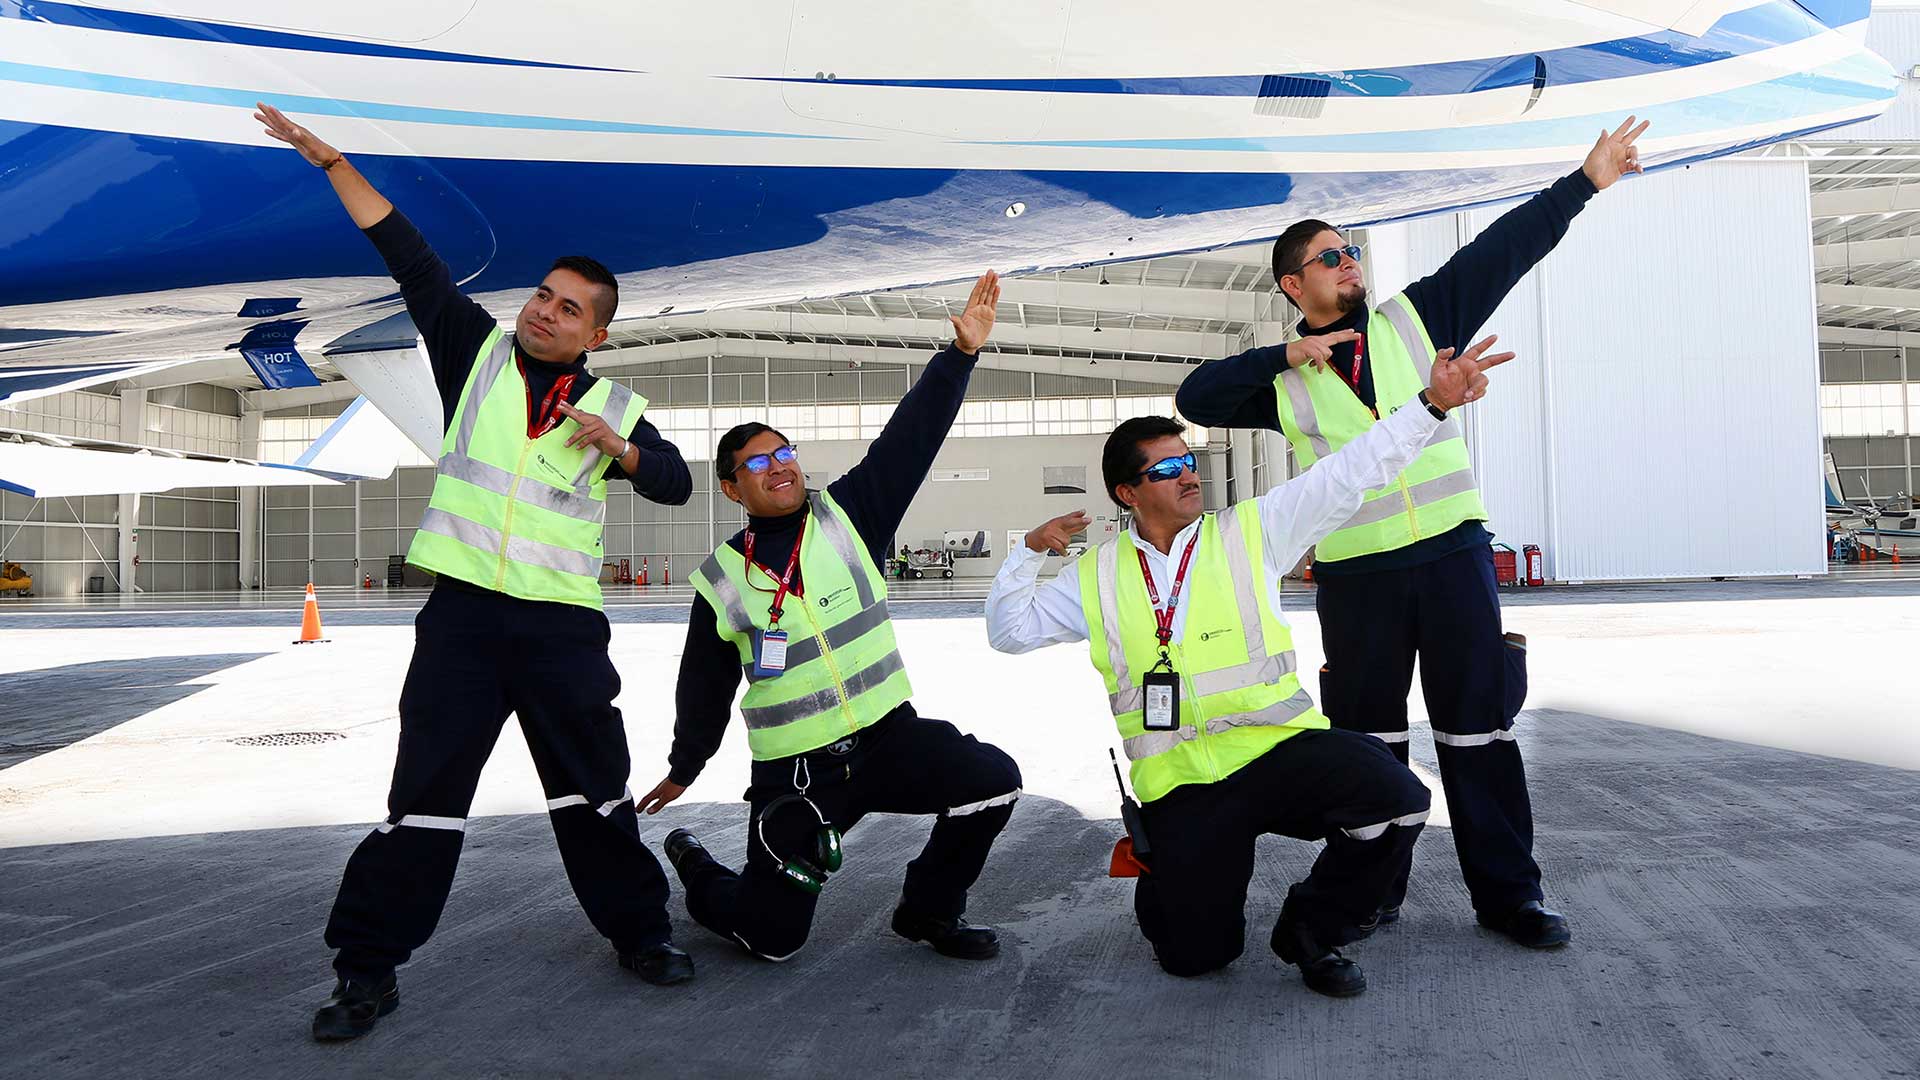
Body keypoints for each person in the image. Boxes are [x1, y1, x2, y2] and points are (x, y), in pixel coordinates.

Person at [253, 103, 698, 1042]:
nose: (544, 310)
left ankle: (641, 932)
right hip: (461, 622)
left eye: (568, 308)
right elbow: (409, 258)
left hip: (560, 629)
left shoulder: (617, 406)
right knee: (423, 796)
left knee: (595, 792)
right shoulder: (477, 356)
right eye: (543, 294)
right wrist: (331, 163)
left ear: (595, 335)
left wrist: (619, 448)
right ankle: (367, 970)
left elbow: (674, 482)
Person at [1171, 117, 1651, 949]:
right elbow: (1195, 398)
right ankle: (1369, 894)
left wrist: (1584, 183)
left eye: (1351, 249)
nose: (1349, 260)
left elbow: (1504, 250)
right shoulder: (1283, 383)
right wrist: (1285, 357)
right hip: (1358, 578)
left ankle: (1511, 898)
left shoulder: (1413, 319)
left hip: (1452, 556)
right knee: (1369, 745)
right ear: (1294, 284)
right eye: (1330, 255)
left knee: (1478, 731)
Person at [988, 335, 1513, 995]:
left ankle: (1312, 928)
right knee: (1195, 956)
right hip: (1184, 786)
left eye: (1188, 461)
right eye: (1166, 468)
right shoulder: (1094, 576)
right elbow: (1009, 631)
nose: (1188, 475)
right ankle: (1167, 875)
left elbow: (1348, 473)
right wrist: (1028, 554)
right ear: (1128, 492)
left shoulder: (1251, 531)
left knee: (1399, 801)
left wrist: (1430, 405)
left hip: (1276, 753)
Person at [639, 273, 1024, 964]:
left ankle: (928, 910)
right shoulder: (720, 580)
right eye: (758, 462)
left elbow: (909, 439)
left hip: (888, 740)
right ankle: (697, 869)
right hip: (799, 774)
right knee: (771, 938)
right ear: (731, 487)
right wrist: (686, 764)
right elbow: (703, 685)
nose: (779, 466)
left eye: (784, 451)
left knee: (993, 781)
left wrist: (960, 356)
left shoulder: (850, 515)